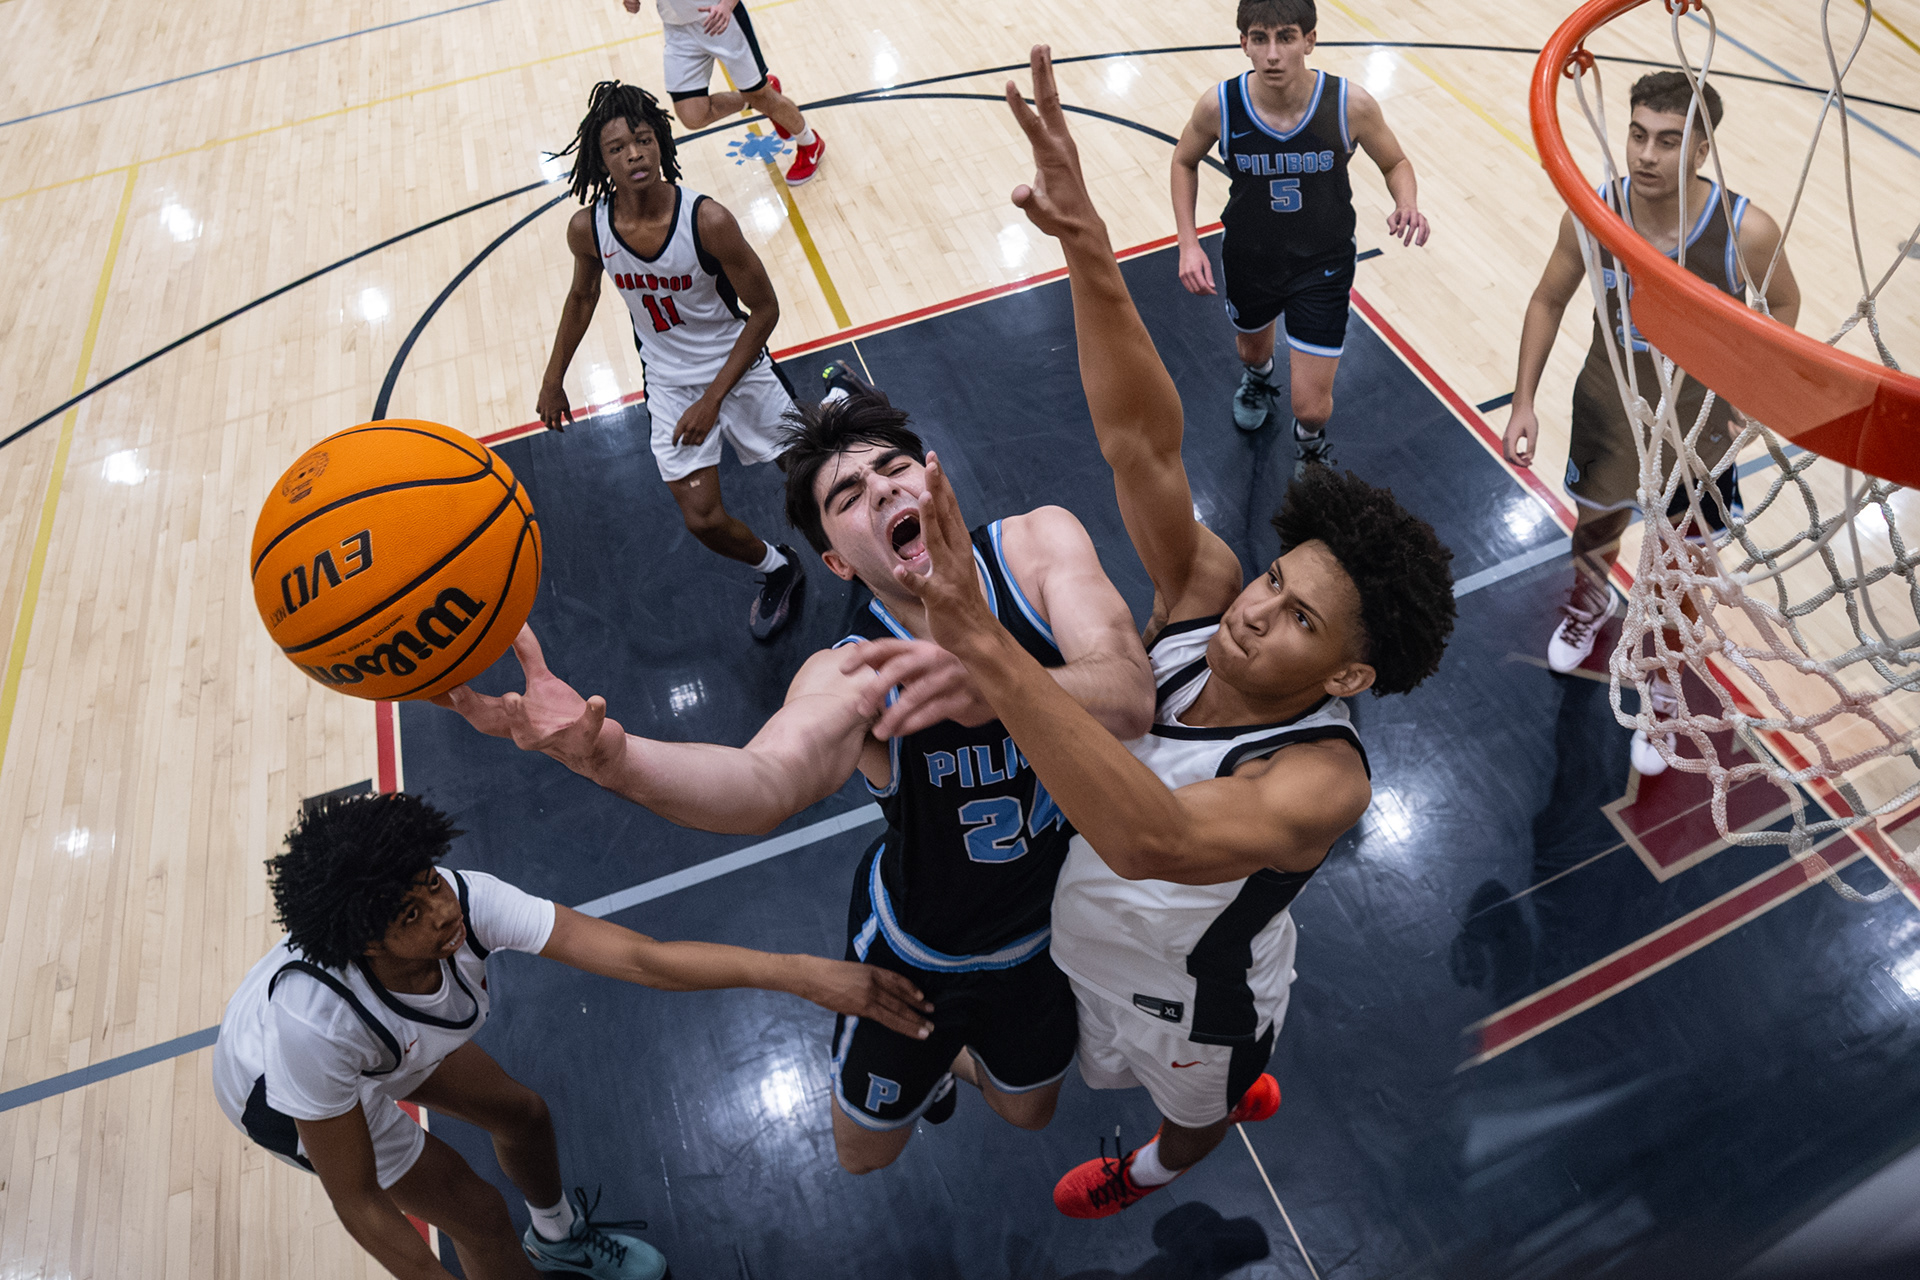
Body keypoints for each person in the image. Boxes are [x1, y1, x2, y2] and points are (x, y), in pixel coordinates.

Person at [845, 46, 1456, 1219]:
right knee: (1054, 1066)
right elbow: (1140, 441)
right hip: (1084, 943)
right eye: (1274, 578)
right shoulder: (1208, 596)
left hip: (1197, 998)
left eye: (1298, 620)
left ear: (1349, 672)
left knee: (1197, 1108)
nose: (1255, 609)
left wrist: (985, 645)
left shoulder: (1323, 779)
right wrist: (1089, 245)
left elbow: (1153, 835)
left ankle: (1158, 1164)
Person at [433, 373, 1156, 1175]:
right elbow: (762, 783)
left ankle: (949, 1060)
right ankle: (929, 1062)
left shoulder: (1037, 546)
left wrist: (1001, 680)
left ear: (935, 479)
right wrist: (613, 758)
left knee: (1026, 1112)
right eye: (848, 495)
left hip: (1050, 932)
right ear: (837, 562)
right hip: (921, 952)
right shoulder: (854, 672)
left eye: (894, 467)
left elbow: (1130, 695)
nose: (880, 488)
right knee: (860, 1155)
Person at [213, 791, 932, 1280]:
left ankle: (559, 1239)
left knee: (523, 1114)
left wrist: (801, 973)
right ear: (367, 942)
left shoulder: (466, 902)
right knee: (479, 1216)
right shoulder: (313, 1028)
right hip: (282, 1089)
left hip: (381, 1041)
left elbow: (644, 960)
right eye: (410, 914)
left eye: (430, 881)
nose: (440, 910)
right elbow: (359, 1201)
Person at [1501, 71, 1798, 773]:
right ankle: (1588, 605)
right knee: (1595, 530)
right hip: (1610, 412)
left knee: (1682, 571)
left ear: (1701, 151)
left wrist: (1754, 388)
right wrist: (1523, 401)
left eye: (1668, 141)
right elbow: (1547, 300)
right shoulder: (1594, 211)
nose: (1645, 154)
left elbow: (1783, 304)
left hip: (1698, 430)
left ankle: (1663, 680)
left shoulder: (1745, 230)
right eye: (1638, 135)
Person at [539, 81, 806, 641]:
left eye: (643, 140)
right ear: (602, 160)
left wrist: (713, 400)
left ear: (661, 141)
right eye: (617, 148)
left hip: (740, 368)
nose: (634, 155)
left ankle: (862, 547)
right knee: (703, 519)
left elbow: (764, 311)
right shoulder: (589, 229)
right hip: (669, 384)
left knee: (813, 481)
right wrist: (553, 378)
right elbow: (582, 296)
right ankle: (777, 566)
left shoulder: (708, 221)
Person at [1170, 0, 1430, 470]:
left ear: (1309, 41)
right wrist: (1188, 243)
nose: (1272, 54)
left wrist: (1406, 201)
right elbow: (1184, 161)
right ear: (1243, 43)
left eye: (1286, 37)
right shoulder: (1220, 105)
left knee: (1310, 406)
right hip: (1249, 258)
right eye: (1260, 39)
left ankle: (1309, 442)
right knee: (1252, 351)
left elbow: (1396, 162)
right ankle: (1259, 376)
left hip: (1323, 263)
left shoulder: (1349, 104)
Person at [623, 0, 825, 184]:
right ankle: (761, 97)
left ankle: (810, 143)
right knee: (693, 115)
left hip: (722, 19)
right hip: (678, 30)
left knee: (761, 96)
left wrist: (727, 5)